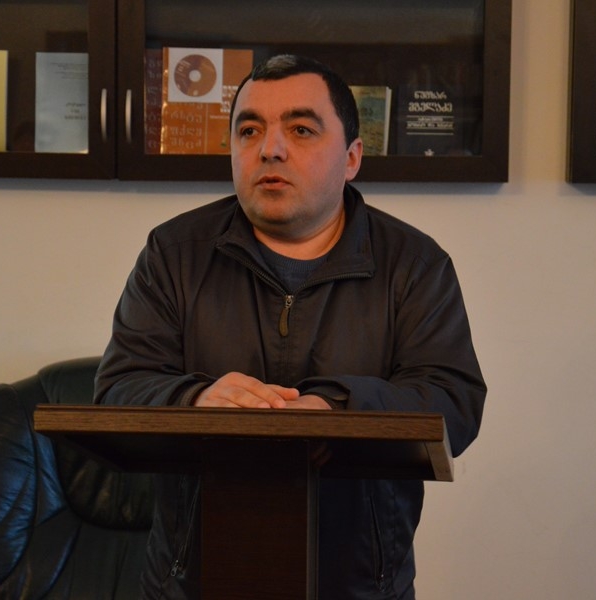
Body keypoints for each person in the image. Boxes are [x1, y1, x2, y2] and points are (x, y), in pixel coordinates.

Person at [95, 54, 486, 600]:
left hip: (359, 586)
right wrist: (195, 400)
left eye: (301, 130)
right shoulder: (173, 253)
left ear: (352, 158)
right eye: (249, 130)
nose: (270, 149)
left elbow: (453, 401)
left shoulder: (415, 265)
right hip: (191, 584)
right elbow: (118, 389)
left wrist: (338, 411)